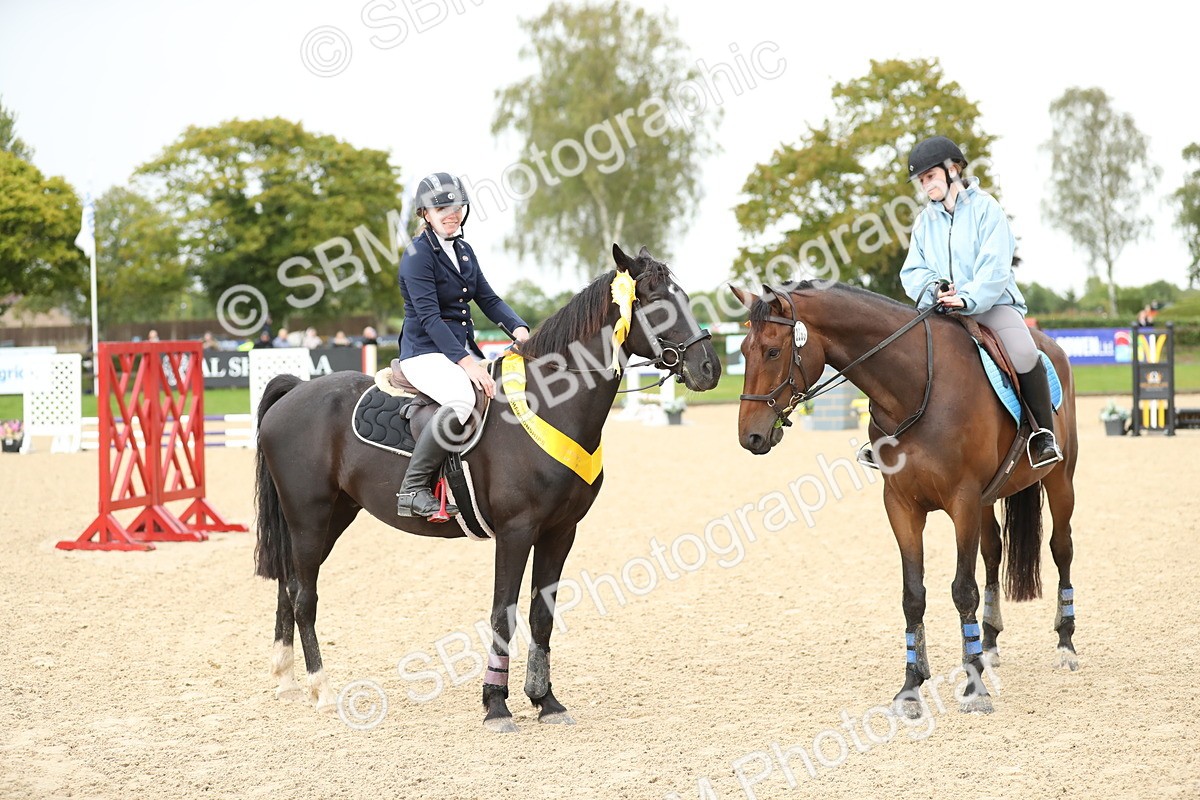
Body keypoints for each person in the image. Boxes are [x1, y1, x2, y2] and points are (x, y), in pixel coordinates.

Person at [891, 135, 1062, 469]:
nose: (925, 185)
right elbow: (912, 269)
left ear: (952, 169)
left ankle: (1043, 434)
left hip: (992, 304)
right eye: (921, 180)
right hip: (940, 308)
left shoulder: (988, 209)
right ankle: (891, 437)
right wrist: (933, 287)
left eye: (930, 176)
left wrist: (967, 298)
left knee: (1025, 351)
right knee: (900, 352)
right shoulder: (925, 221)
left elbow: (996, 267)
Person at [395, 172, 531, 519]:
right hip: (424, 352)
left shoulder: (464, 251)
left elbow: (487, 298)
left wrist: (520, 329)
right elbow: (429, 318)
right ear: (425, 213)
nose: (450, 212)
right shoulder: (417, 255)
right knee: (463, 398)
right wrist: (467, 363)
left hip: (459, 350)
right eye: (440, 207)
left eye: (455, 205)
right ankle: (413, 488)